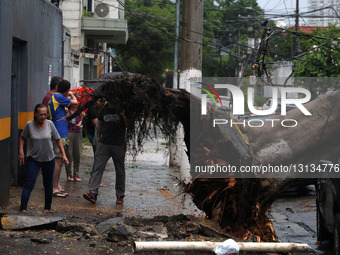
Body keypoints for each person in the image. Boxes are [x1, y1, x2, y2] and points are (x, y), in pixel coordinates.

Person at [18, 104, 69, 213]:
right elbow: (22, 137)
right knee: (29, 183)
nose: (43, 116)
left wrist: (63, 155)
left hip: (49, 159)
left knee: (48, 184)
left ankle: (47, 208)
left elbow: (58, 139)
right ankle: (23, 208)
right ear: (35, 115)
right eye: (40, 114)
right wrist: (21, 152)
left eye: (45, 114)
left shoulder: (50, 124)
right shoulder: (29, 125)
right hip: (33, 159)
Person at [83, 101, 127, 204]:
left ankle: (120, 195)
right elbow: (100, 122)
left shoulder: (122, 107)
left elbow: (127, 125)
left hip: (118, 144)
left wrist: (123, 115)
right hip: (104, 144)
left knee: (120, 170)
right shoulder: (104, 108)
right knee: (98, 168)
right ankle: (93, 193)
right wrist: (98, 136)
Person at [48, 79, 78, 197]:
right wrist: (71, 95)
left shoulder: (56, 98)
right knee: (57, 161)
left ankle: (57, 185)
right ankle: (54, 188)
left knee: (60, 161)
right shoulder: (57, 96)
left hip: (61, 133)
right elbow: (75, 103)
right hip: (59, 133)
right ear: (66, 90)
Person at [65, 103, 83, 182]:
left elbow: (82, 120)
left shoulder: (79, 112)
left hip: (78, 133)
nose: (74, 105)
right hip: (69, 133)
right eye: (73, 103)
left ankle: (76, 173)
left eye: (76, 103)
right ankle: (69, 174)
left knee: (77, 154)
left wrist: (81, 121)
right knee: (69, 154)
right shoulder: (67, 112)